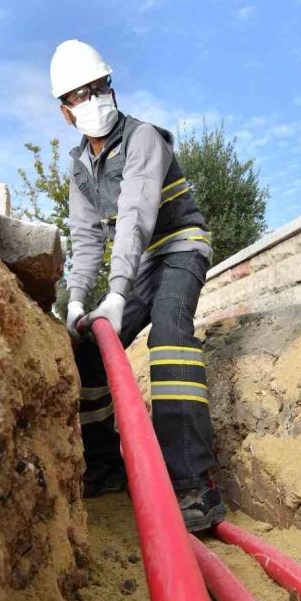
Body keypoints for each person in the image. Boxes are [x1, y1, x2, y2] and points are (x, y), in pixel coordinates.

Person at [50, 39, 226, 533]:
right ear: (65, 112)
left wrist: (118, 290)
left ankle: (194, 484)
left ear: (112, 86)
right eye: (79, 95)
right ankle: (106, 467)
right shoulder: (79, 168)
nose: (92, 100)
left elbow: (134, 217)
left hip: (180, 246)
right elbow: (85, 240)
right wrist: (79, 301)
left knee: (170, 337)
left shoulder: (144, 137)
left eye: (98, 88)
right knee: (87, 351)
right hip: (145, 261)